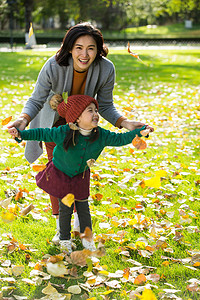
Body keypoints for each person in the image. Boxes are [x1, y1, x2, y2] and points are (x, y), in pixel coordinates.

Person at [7, 22, 153, 244]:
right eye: (78, 47)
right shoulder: (53, 65)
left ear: (98, 49)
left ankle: (78, 220)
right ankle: (61, 226)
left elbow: (105, 105)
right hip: (56, 126)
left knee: (80, 171)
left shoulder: (106, 68)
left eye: (91, 48)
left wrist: (125, 123)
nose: (84, 54)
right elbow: (37, 99)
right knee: (58, 174)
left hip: (85, 126)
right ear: (69, 48)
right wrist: (23, 120)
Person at [8, 94, 153, 253]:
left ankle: (87, 239)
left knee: (83, 209)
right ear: (76, 118)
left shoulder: (101, 135)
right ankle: (64, 240)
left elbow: (120, 139)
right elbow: (41, 133)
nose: (96, 114)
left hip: (81, 176)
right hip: (61, 174)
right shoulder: (62, 132)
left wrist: (139, 132)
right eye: (90, 111)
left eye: (96, 110)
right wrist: (21, 134)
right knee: (66, 209)